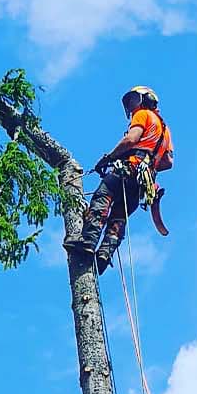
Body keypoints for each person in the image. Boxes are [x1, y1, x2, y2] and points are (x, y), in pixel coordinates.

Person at [74, 85, 174, 272]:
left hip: (129, 171)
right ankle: (104, 255)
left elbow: (131, 140)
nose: (131, 106)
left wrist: (109, 157)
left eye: (133, 100)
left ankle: (88, 241)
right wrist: (149, 162)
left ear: (145, 99)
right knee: (119, 217)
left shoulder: (143, 115)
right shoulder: (165, 130)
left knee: (102, 197)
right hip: (141, 185)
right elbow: (167, 162)